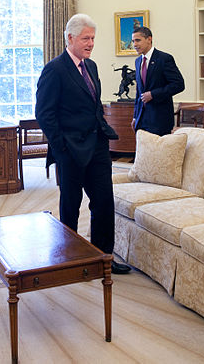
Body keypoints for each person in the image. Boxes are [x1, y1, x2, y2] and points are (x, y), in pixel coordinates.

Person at [35, 14, 131, 274]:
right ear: (71, 38)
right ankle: (71, 259)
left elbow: (93, 106)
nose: (91, 43)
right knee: (71, 205)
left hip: (98, 148)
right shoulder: (54, 69)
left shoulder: (92, 67)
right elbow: (44, 113)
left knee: (103, 203)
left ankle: (103, 259)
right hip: (70, 151)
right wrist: (61, 149)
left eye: (93, 39)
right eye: (86, 38)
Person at [132, 26, 185, 136]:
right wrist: (135, 116)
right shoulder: (138, 62)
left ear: (149, 39)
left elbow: (179, 84)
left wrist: (153, 94)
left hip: (160, 119)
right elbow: (139, 92)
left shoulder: (164, 59)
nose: (134, 45)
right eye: (133, 41)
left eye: (138, 40)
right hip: (142, 120)